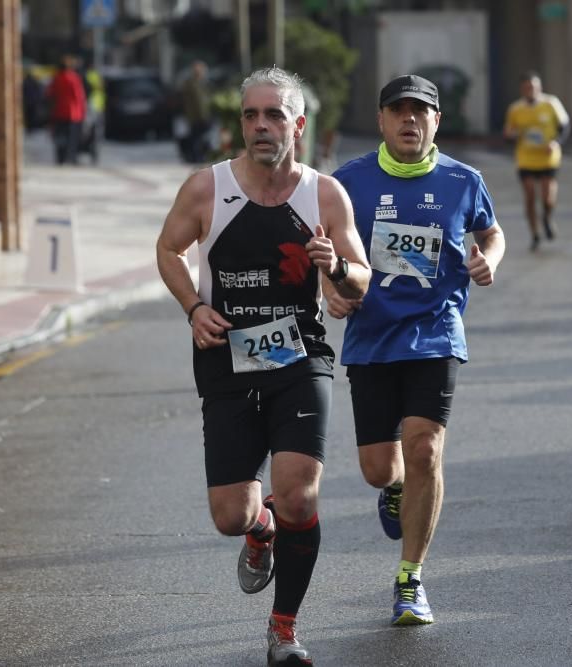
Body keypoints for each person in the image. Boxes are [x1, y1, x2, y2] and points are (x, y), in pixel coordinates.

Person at [156, 66, 370, 666]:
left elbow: (361, 282)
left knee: (299, 495)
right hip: (227, 360)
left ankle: (284, 628)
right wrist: (193, 306)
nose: (260, 126)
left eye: (274, 115)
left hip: (299, 356)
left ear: (298, 125)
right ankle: (259, 531)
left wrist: (334, 268)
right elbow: (168, 248)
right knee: (232, 515)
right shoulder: (207, 187)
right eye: (251, 115)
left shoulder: (324, 194)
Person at [327, 74, 505, 625]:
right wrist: (330, 288)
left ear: (436, 122)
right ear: (381, 120)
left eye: (420, 111)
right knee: (380, 468)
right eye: (398, 110)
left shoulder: (463, 180)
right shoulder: (348, 182)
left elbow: (491, 233)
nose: (410, 119)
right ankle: (395, 487)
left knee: (426, 448)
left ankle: (411, 579)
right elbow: (324, 243)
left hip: (435, 332)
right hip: (371, 336)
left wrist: (489, 260)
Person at [503, 71, 570, 251]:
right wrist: (510, 136)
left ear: (539, 87)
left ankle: (547, 217)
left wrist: (556, 142)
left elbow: (564, 126)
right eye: (527, 87)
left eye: (533, 86)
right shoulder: (515, 109)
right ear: (522, 89)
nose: (530, 90)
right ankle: (535, 233)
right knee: (530, 196)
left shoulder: (551, 103)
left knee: (547, 197)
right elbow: (508, 132)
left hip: (548, 157)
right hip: (526, 159)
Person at [46, 54, 87, 165]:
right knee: (72, 138)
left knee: (60, 137)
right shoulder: (73, 78)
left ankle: (60, 157)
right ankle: (70, 157)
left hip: (58, 112)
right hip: (72, 113)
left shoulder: (56, 77)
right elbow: (79, 96)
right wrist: (83, 111)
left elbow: (50, 94)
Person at [180, 60, 213, 164]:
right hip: (195, 117)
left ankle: (202, 156)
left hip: (204, 116)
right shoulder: (190, 84)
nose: (201, 72)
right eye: (199, 70)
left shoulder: (204, 83)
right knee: (195, 138)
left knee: (202, 137)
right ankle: (196, 157)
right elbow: (193, 102)